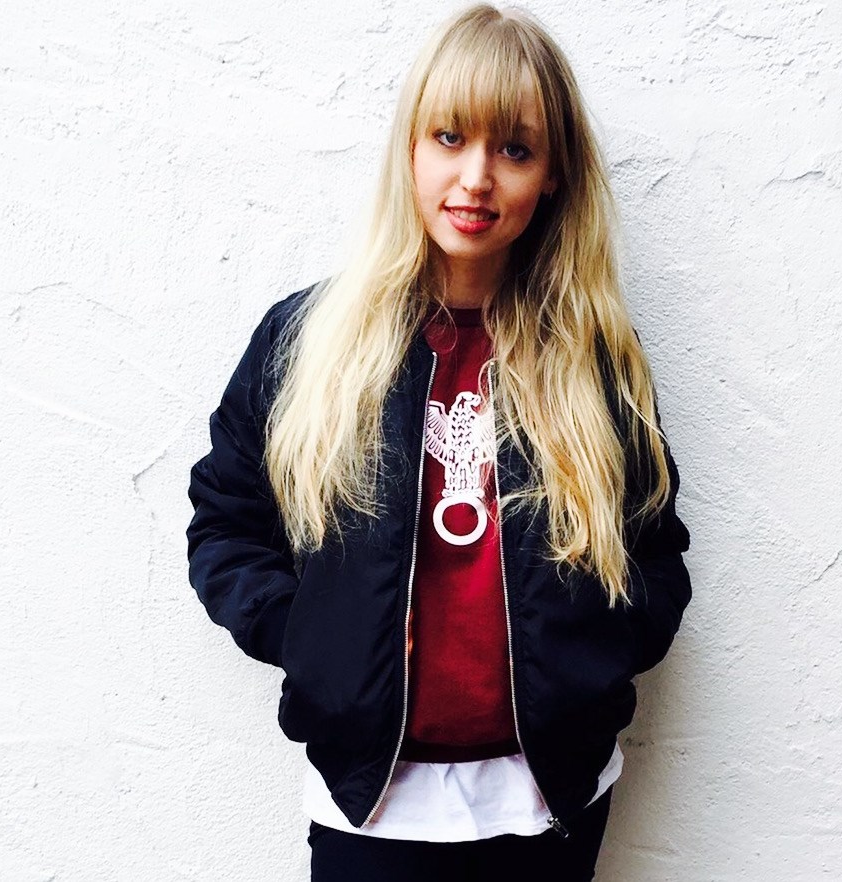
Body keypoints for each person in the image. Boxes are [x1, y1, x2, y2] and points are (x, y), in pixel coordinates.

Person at [186, 3, 693, 879]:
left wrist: (589, 666)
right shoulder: (308, 341)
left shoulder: (594, 358)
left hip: (549, 804)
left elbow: (655, 550)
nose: (476, 178)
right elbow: (225, 524)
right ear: (408, 151)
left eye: (516, 149)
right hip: (369, 805)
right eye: (450, 136)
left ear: (555, 177)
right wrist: (313, 638)